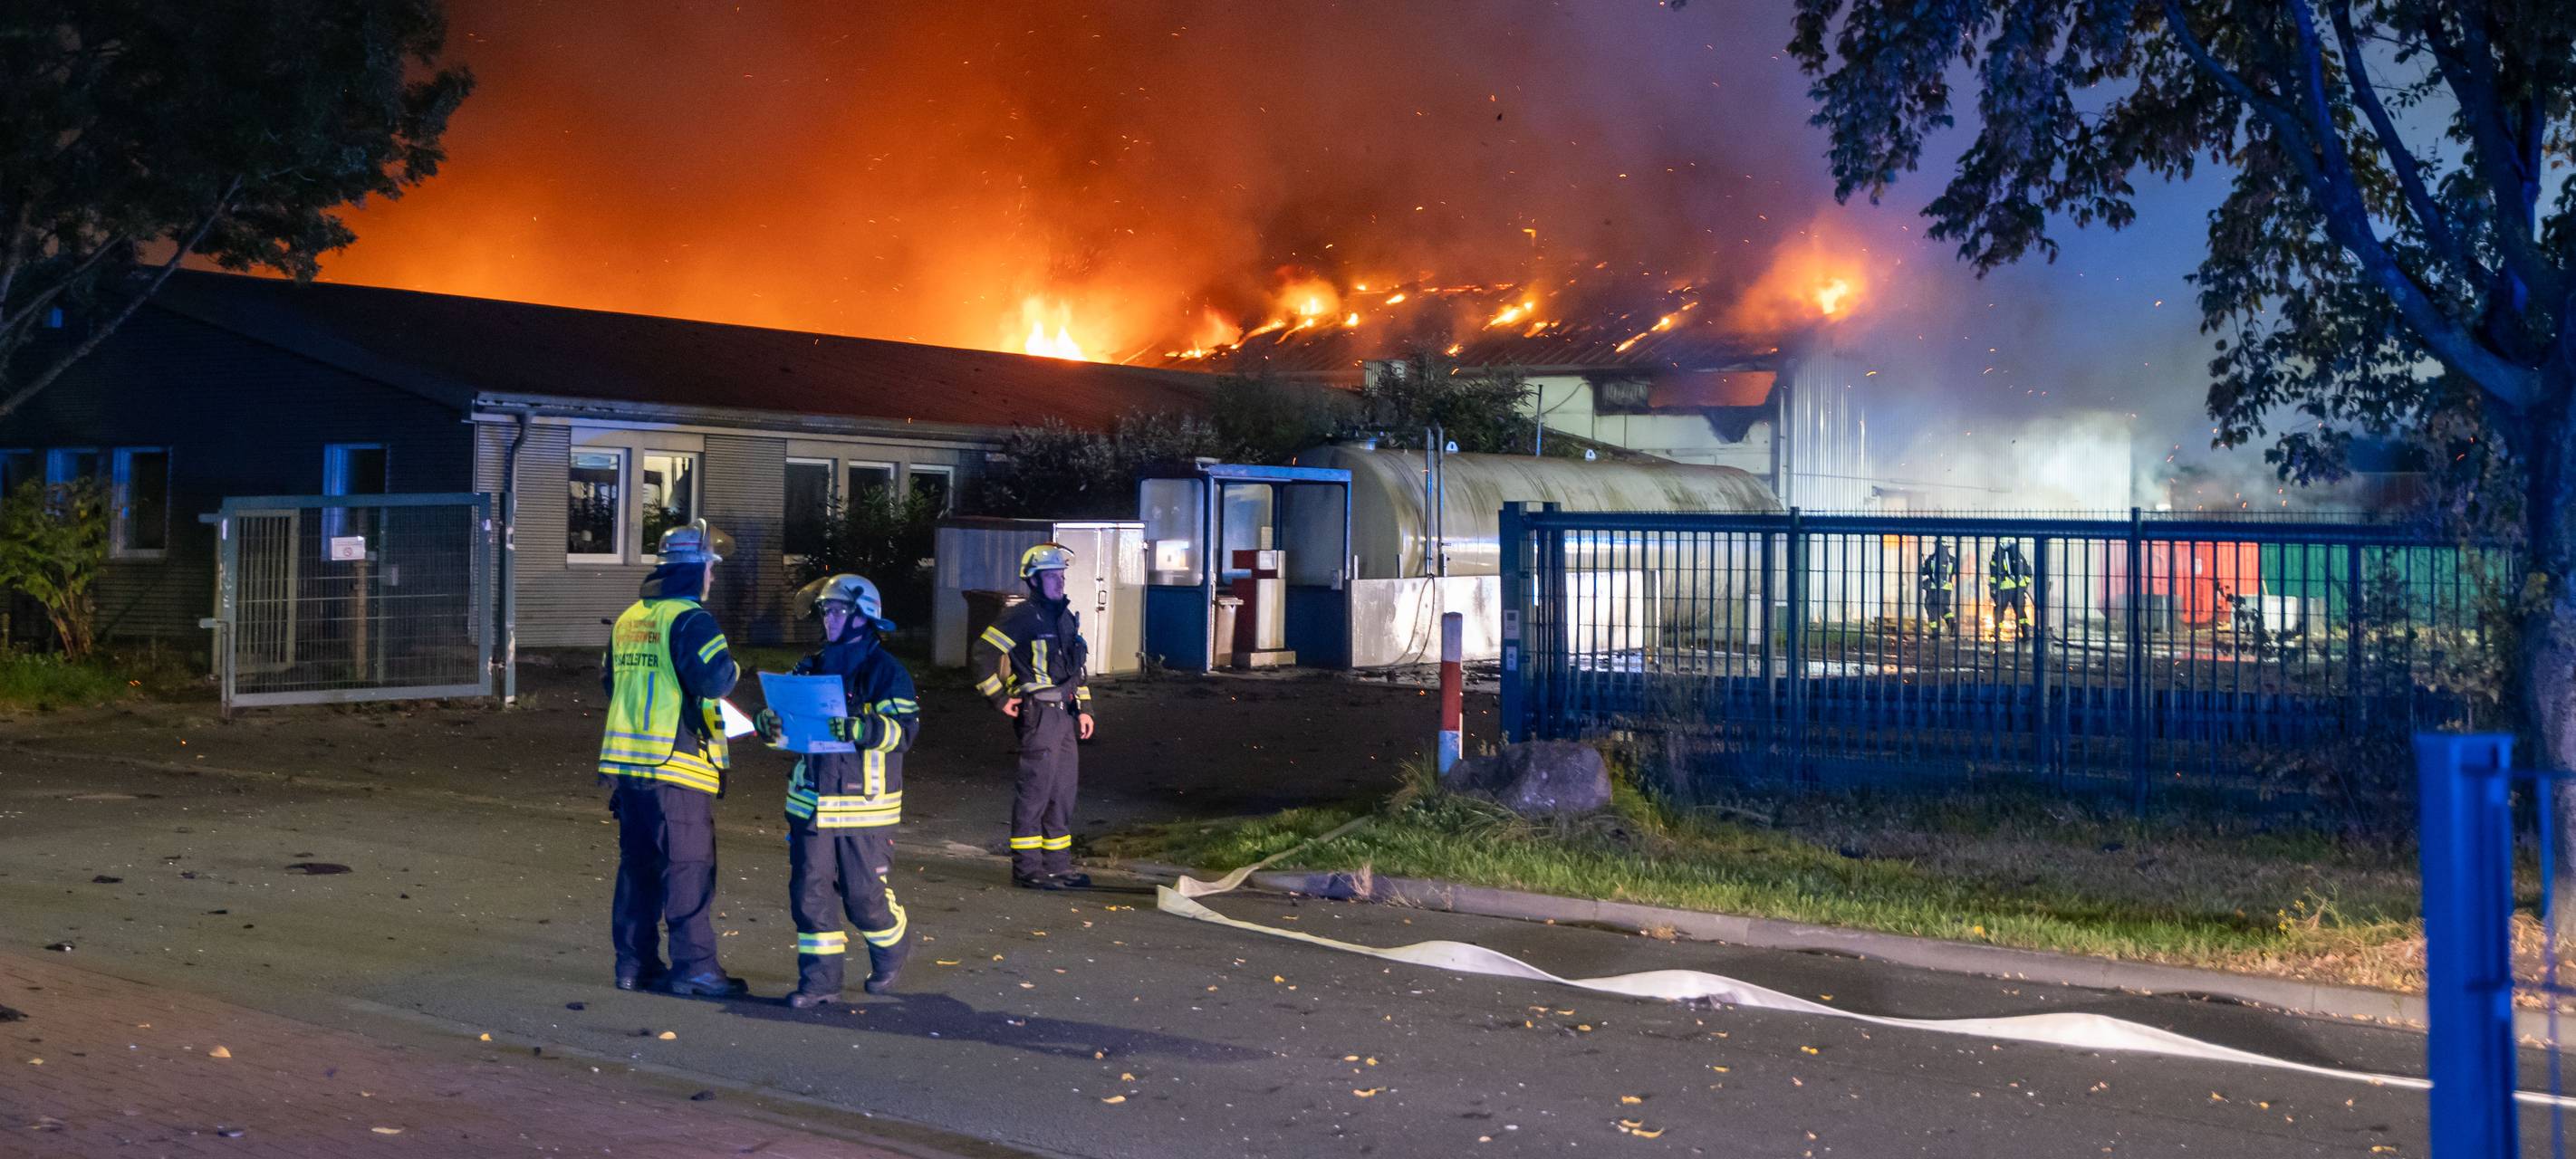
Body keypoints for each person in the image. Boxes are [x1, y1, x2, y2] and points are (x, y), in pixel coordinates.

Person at [596, 521, 747, 997]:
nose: (713, 577)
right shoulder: (691, 619)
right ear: (695, 568)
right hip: (676, 767)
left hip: (628, 767)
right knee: (688, 868)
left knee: (638, 869)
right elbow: (715, 680)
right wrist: (734, 667)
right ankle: (696, 969)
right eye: (710, 568)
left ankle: (633, 966)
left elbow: (611, 684)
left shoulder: (630, 618)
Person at [755, 574, 918, 1007]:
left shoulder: (887, 672)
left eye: (837, 611)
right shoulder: (810, 667)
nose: (828, 619)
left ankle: (893, 946)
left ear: (864, 617)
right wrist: (768, 725)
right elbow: (786, 727)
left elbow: (903, 732)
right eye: (825, 611)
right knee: (810, 895)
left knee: (864, 898)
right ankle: (820, 983)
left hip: (865, 807)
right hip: (811, 803)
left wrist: (863, 728)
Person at [971, 542, 1096, 890]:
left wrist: (1085, 709)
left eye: (1061, 575)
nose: (1059, 582)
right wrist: (998, 697)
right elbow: (983, 652)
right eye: (1052, 576)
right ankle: (1027, 869)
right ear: (1034, 580)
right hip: (1039, 715)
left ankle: (1057, 866)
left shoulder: (1065, 617)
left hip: (1065, 715)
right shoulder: (1022, 616)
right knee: (1035, 792)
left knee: (1062, 792)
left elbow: (1076, 670)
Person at [1988, 541, 2033, 637]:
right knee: (2020, 612)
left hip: (2003, 589)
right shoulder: (2019, 556)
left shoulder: (1996, 557)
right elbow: (2028, 572)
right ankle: (2026, 634)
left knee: (1999, 611)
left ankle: (1997, 634)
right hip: (2018, 589)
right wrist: (2024, 585)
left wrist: (1993, 589)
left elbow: (1993, 575)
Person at [1918, 540, 1959, 641]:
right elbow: (1955, 572)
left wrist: (1922, 563)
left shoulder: (1932, 559)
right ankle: (1953, 625)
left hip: (1933, 590)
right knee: (1944, 608)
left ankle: (1935, 633)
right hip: (1947, 590)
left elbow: (1923, 572)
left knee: (1931, 609)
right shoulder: (1953, 560)